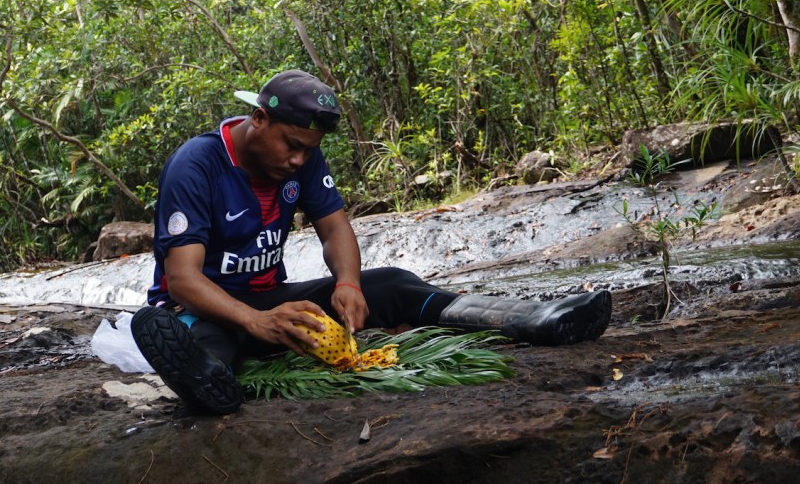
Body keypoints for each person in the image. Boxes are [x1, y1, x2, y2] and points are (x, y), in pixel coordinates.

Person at [131, 69, 611, 414]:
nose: (300, 160)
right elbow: (182, 280)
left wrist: (349, 285)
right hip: (206, 307)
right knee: (212, 341)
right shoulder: (198, 164)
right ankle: (207, 380)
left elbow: (336, 226)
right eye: (292, 145)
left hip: (269, 297)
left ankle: (534, 318)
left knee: (392, 284)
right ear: (259, 118)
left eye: (309, 150)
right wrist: (257, 322)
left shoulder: (304, 157)